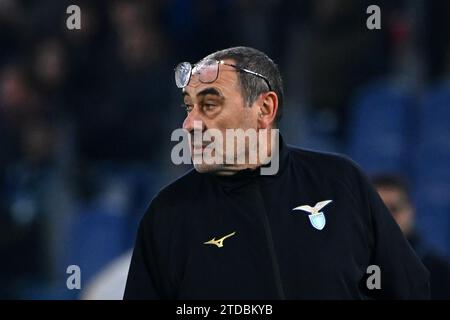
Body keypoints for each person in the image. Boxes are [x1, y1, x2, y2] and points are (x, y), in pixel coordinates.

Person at [124, 46, 429, 299]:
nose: (189, 125)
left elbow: (411, 290)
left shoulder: (340, 183)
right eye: (188, 107)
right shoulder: (167, 215)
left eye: (210, 105)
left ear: (265, 109)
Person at [373, 174, 450, 299]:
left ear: (410, 210)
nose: (386, 217)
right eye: (378, 209)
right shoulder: (352, 267)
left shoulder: (439, 271)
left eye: (393, 209)